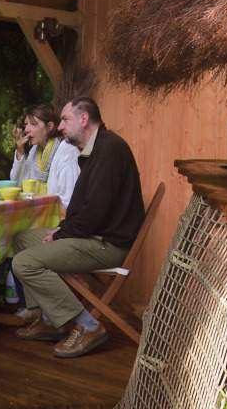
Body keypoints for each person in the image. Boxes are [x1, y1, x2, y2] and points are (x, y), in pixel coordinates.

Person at [11, 96, 144, 359]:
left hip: (107, 244)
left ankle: (88, 325)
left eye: (65, 119)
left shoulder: (109, 150)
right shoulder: (94, 150)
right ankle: (50, 318)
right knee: (22, 239)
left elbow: (95, 213)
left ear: (84, 119)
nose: (60, 126)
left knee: (24, 263)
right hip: (93, 235)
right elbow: (85, 208)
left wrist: (61, 233)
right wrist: (62, 230)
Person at [9, 103, 80, 204]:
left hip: (58, 211)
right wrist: (20, 152)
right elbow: (17, 185)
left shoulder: (67, 150)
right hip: (38, 209)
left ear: (50, 126)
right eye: (26, 124)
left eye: (33, 124)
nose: (27, 130)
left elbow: (69, 197)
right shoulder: (35, 150)